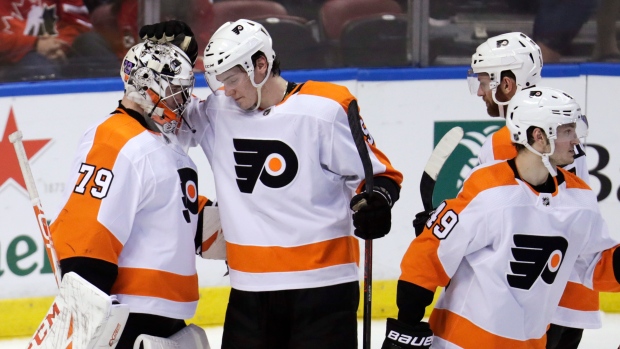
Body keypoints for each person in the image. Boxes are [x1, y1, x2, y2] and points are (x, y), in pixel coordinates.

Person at [140, 18, 403, 349]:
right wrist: (165, 57)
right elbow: (159, 115)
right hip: (250, 292)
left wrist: (376, 200)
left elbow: (378, 175)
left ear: (260, 65)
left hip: (324, 289)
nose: (228, 90)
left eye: (233, 80)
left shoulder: (325, 108)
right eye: (221, 82)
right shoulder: (218, 111)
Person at [382, 86, 620, 349]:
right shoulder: (487, 189)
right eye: (567, 131)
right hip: (461, 342)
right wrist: (406, 326)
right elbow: (428, 254)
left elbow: (598, 265)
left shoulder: (580, 199)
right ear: (538, 136)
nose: (576, 139)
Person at [49, 40, 212, 348]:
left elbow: (175, 215)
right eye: (176, 90)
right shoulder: (116, 137)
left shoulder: (163, 145)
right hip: (126, 316)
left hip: (165, 318)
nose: (183, 101)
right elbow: (87, 229)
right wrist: (86, 316)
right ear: (148, 86)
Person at [467, 32, 597, 349]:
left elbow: (501, 226)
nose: (481, 92)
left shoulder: (509, 140)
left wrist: (441, 224)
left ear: (507, 84)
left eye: (485, 82)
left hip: (533, 297)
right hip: (572, 294)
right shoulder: (563, 116)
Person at [0, 0, 91, 82]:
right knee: (36, 66)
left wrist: (55, 45)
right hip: (11, 60)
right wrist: (34, 43)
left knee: (90, 43)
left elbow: (80, 26)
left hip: (61, 50)